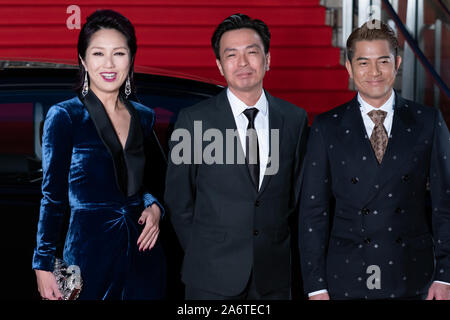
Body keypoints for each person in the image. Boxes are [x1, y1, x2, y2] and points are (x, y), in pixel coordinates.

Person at [299, 19, 450, 300]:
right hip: (347, 271)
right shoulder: (327, 126)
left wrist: (446, 275)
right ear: (349, 67)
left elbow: (446, 205)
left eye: (383, 61)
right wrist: (316, 286)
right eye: (363, 62)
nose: (374, 72)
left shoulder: (428, 121)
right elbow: (312, 213)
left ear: (398, 62)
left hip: (413, 271)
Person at [164, 13, 308, 300]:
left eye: (252, 53)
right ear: (219, 65)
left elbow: (297, 195)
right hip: (210, 277)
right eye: (231, 55)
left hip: (274, 277)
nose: (243, 63)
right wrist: (202, 252)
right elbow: (179, 199)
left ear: (267, 59)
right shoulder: (194, 121)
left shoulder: (294, 119)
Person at [32, 9, 166, 300]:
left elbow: (153, 183)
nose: (109, 64)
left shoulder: (144, 117)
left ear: (130, 58)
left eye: (118, 53)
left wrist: (154, 207)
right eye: (98, 53)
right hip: (87, 255)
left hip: (142, 252)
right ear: (83, 59)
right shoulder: (66, 116)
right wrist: (42, 264)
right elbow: (52, 197)